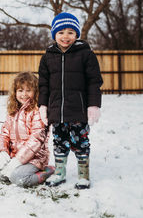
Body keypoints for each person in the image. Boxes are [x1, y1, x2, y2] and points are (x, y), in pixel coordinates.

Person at [38, 12, 103, 189]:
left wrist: (93, 105)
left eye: (70, 32)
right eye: (61, 32)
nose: (65, 36)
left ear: (76, 35)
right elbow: (43, 84)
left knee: (81, 142)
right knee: (59, 142)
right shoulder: (47, 57)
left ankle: (83, 175)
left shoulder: (86, 55)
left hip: (79, 110)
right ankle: (59, 173)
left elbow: (94, 82)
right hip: (57, 110)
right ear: (54, 35)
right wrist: (43, 105)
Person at [0, 71, 55, 187]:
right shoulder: (13, 111)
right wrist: (2, 152)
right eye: (20, 90)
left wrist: (17, 161)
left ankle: (48, 171)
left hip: (35, 158)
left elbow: (36, 140)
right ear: (15, 92)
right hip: (15, 155)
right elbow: (4, 134)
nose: (24, 94)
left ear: (35, 92)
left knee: (17, 178)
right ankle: (16, 168)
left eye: (28, 90)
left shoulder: (38, 111)